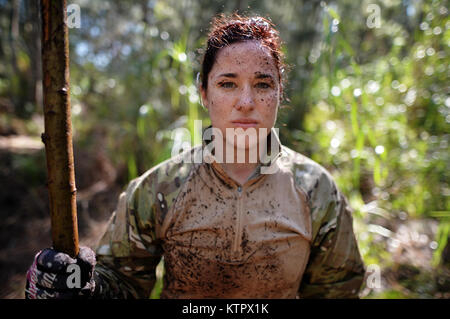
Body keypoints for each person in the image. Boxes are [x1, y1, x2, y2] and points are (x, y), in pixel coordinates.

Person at [25, 14, 365, 299]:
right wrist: (81, 286)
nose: (246, 102)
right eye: (228, 84)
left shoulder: (316, 190)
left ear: (279, 93)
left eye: (262, 84)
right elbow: (124, 285)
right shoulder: (159, 187)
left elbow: (339, 291)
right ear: (204, 92)